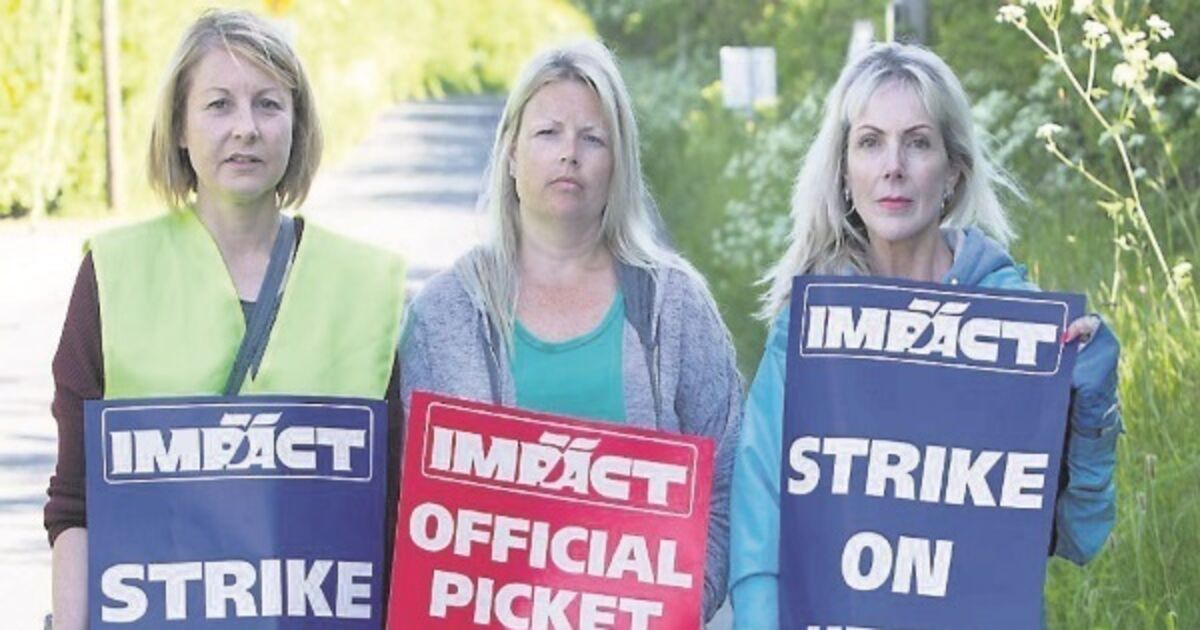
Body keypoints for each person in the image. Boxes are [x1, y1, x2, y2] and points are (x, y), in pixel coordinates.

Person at [728, 42, 1121, 628]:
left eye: (917, 142)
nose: (894, 166)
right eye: (870, 142)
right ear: (844, 172)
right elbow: (762, 511)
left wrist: (1091, 411)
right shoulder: (811, 328)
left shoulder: (1016, 325)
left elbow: (1078, 535)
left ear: (953, 171)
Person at [43, 10, 405, 628]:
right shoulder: (114, 273)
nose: (246, 128)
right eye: (218, 105)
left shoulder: (365, 287)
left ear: (297, 125)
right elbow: (75, 507)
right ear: (179, 129)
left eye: (268, 104)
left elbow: (393, 515)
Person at [399, 40, 742, 620]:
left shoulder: (674, 306)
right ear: (511, 154)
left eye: (592, 138)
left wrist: (678, 606)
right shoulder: (444, 314)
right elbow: (408, 504)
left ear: (618, 163)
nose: (569, 154)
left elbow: (728, 480)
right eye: (548, 133)